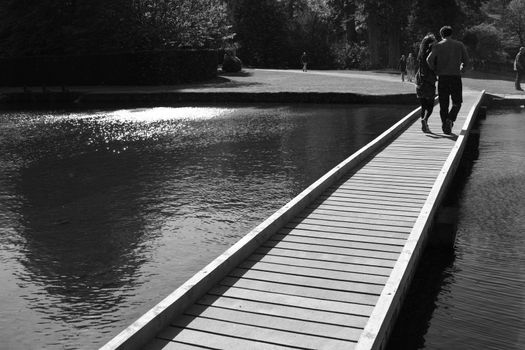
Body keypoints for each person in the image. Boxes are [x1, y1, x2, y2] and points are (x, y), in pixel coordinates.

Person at [426, 25, 469, 135]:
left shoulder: (438, 46)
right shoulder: (459, 45)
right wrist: (463, 68)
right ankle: (450, 119)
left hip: (443, 78)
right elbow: (466, 60)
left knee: (443, 104)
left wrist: (435, 70)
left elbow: (429, 60)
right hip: (455, 76)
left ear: (441, 35)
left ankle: (445, 125)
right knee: (457, 102)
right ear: (451, 34)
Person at [415, 33, 437, 133]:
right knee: (430, 105)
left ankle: (425, 124)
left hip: (419, 80)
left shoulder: (420, 52)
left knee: (423, 106)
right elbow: (433, 66)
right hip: (429, 81)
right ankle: (425, 120)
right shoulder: (431, 51)